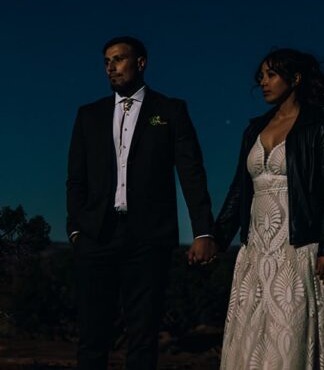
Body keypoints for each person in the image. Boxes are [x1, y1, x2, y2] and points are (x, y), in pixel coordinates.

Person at [66, 36, 218, 369]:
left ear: (141, 63)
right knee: (92, 336)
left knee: (143, 336)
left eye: (119, 59)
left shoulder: (170, 111)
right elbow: (76, 180)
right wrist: (76, 229)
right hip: (96, 237)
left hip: (148, 238)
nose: (111, 68)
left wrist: (203, 231)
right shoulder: (88, 115)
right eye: (106, 61)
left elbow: (191, 172)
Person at [215, 48, 324, 369]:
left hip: (300, 247)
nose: (263, 83)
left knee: (291, 334)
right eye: (261, 77)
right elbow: (239, 190)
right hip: (257, 250)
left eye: (271, 75)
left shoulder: (318, 127)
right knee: (254, 337)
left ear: (295, 79)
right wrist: (216, 238)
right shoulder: (253, 129)